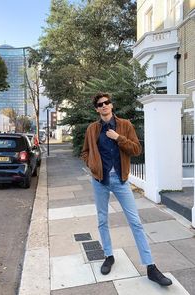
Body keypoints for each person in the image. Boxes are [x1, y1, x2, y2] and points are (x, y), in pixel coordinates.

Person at [81, 92, 172, 286]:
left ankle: (150, 267)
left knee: (136, 222)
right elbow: (85, 152)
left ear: (112, 106)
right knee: (102, 220)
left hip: (121, 180)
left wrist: (118, 138)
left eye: (107, 103)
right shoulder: (92, 129)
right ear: (96, 109)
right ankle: (108, 256)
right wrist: (92, 165)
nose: (104, 106)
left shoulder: (125, 125)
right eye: (100, 104)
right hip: (100, 181)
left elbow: (136, 150)